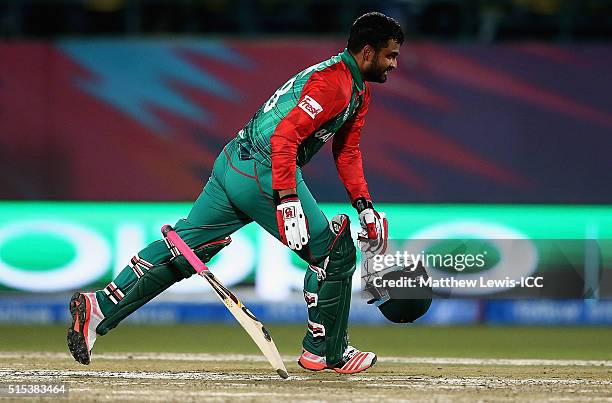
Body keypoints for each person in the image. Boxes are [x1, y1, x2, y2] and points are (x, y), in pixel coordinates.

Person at [67, 11, 403, 374]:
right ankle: (325, 351)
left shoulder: (355, 89)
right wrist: (288, 199)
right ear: (367, 53)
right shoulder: (333, 86)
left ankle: (99, 307)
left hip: (233, 163)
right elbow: (284, 137)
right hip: (264, 170)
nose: (395, 64)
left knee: (186, 249)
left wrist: (364, 205)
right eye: (391, 55)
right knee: (335, 255)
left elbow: (347, 150)